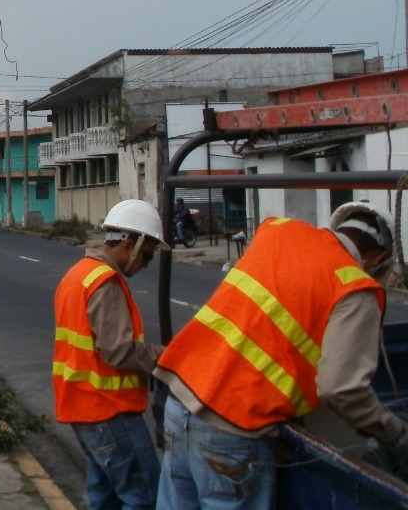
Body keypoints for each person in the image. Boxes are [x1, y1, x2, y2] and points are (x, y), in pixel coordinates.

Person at [154, 202, 408, 510]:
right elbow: (342, 388)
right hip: (233, 428)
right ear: (378, 258)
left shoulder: (277, 229)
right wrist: (394, 432)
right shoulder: (355, 287)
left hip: (179, 400)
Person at [52, 199, 169, 510]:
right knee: (145, 497)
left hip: (82, 408)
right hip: (109, 411)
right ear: (130, 245)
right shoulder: (105, 283)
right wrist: (168, 358)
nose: (146, 264)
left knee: (105, 498)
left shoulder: (78, 274)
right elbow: (119, 350)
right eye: (147, 255)